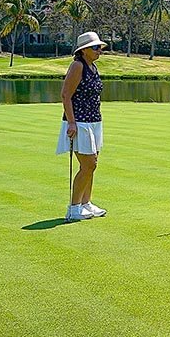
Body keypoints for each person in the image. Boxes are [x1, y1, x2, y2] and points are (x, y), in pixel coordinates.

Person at [56, 31, 106, 222]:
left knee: (92, 166)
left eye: (99, 47)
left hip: (94, 121)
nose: (99, 51)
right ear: (84, 50)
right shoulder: (78, 66)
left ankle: (86, 203)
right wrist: (71, 122)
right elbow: (65, 95)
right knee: (88, 164)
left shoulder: (92, 67)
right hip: (80, 122)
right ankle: (74, 207)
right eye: (95, 47)